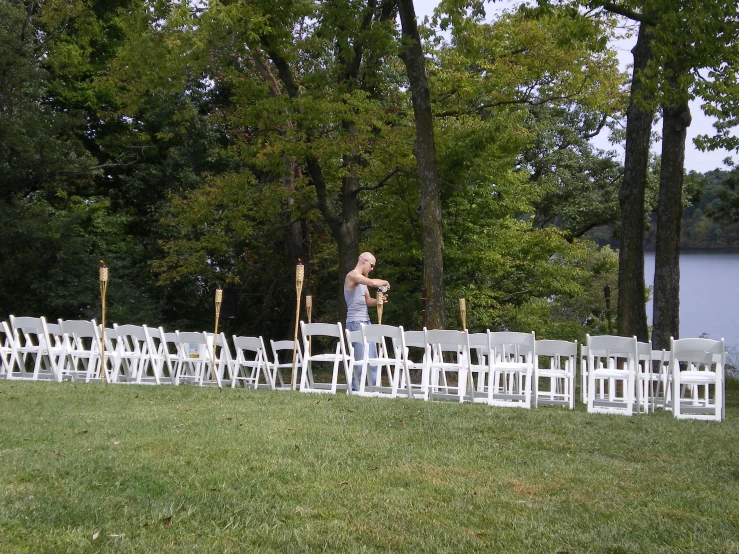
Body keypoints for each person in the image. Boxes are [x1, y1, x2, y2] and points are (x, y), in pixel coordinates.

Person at [344, 252, 390, 390]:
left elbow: (367, 301)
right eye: (371, 265)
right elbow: (372, 283)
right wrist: (385, 282)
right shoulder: (352, 276)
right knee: (359, 359)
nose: (372, 269)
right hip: (355, 323)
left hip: (366, 321)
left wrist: (378, 301)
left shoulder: (362, 280)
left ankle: (373, 389)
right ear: (363, 260)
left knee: (372, 358)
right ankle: (354, 389)